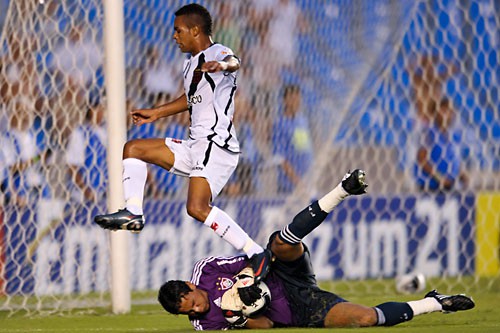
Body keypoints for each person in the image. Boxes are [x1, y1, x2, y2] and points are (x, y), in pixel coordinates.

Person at [158, 169, 475, 330]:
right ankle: (435, 303)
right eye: (189, 312)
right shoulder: (205, 324)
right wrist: (239, 315)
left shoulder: (207, 271)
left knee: (279, 243)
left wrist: (245, 283)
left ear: (190, 286)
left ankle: (342, 189)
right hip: (298, 310)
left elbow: (258, 258)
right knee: (365, 319)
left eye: (193, 302)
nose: (197, 309)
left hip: (282, 273)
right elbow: (266, 325)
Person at [94, 4, 270, 281]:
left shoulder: (216, 52)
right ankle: (133, 212)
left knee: (196, 208)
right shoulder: (190, 63)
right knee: (134, 149)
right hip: (195, 144)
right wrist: (156, 112)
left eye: (178, 30)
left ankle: (255, 252)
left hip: (216, 144)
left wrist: (221, 65)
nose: (174, 36)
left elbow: (234, 61)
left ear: (195, 30)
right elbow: (190, 99)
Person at [414, 97, 468, 192]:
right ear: (436, 113)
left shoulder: (454, 135)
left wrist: (461, 174)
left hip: (449, 185)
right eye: (444, 110)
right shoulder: (429, 133)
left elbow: (453, 159)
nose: (448, 114)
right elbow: (421, 159)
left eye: (450, 111)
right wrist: (439, 178)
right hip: (430, 187)